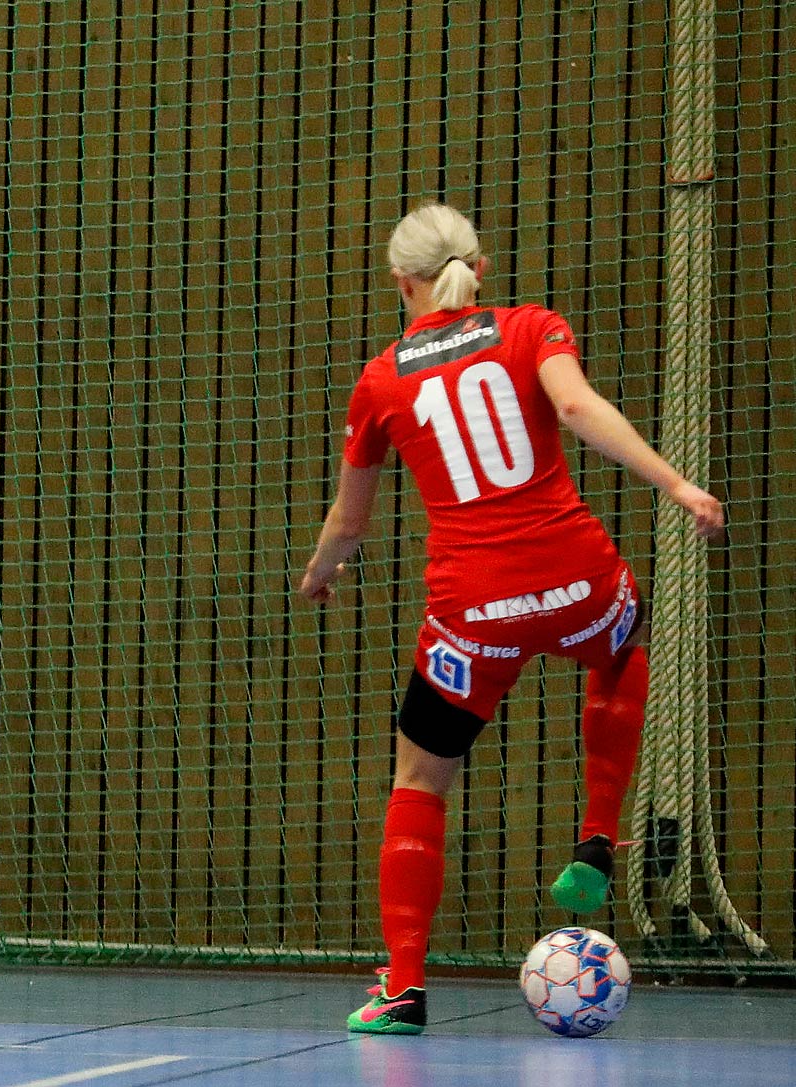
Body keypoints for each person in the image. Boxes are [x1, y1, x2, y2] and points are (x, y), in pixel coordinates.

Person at [298, 203, 724, 1035]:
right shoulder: (533, 327)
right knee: (620, 646)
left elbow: (348, 526)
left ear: (400, 282)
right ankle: (598, 836)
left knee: (419, 779)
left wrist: (320, 574)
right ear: (480, 269)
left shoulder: (382, 379)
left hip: (474, 612)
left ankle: (405, 988)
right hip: (577, 583)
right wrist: (675, 486)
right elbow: (576, 410)